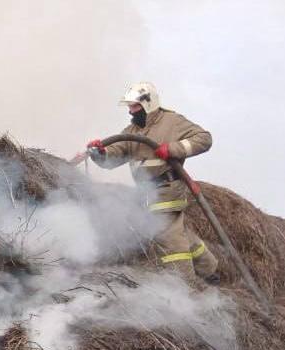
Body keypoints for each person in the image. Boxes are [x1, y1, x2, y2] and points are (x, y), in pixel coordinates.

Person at [72, 82, 218, 280]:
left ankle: (187, 288)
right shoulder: (131, 131)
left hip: (167, 188)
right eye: (129, 107)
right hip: (147, 193)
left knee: (169, 238)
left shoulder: (172, 121)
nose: (131, 112)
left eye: (135, 107)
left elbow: (204, 138)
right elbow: (113, 159)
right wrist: (100, 153)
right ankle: (209, 270)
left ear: (148, 103)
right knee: (179, 231)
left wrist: (174, 149)